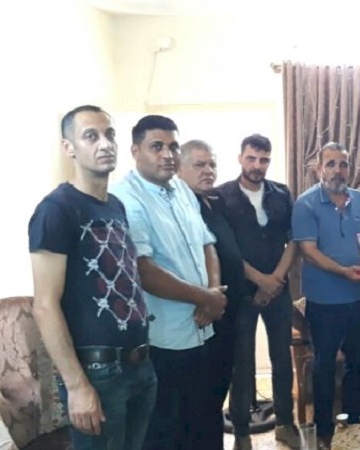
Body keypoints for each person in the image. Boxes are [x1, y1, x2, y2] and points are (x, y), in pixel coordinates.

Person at [28, 105, 157, 450]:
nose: (105, 144)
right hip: (97, 373)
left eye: (110, 134)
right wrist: (77, 385)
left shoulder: (115, 205)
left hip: (139, 364)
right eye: (91, 136)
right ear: (69, 147)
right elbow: (44, 305)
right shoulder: (56, 209)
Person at [111, 115, 228, 450]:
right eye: (157, 146)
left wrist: (213, 293)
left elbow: (207, 243)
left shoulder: (181, 189)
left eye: (173, 146)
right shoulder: (125, 197)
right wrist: (204, 298)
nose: (168, 154)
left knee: (203, 421)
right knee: (165, 430)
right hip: (163, 339)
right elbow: (143, 269)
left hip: (202, 328)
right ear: (135, 151)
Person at [215, 134, 300, 450]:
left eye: (263, 160)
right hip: (241, 293)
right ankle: (241, 434)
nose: (257, 165)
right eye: (251, 158)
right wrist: (260, 281)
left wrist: (275, 279)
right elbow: (226, 248)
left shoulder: (282, 193)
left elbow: (294, 240)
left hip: (279, 290)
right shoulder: (221, 196)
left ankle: (285, 424)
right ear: (240, 158)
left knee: (282, 359)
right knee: (241, 363)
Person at [291, 142, 360, 450]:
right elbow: (308, 251)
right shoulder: (306, 204)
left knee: (358, 362)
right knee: (324, 366)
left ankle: (355, 419)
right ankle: (324, 429)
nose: (338, 170)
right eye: (331, 164)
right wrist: (343, 271)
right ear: (319, 169)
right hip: (324, 303)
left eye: (343, 164)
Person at [177, 140, 246, 450]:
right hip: (203, 315)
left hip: (226, 313)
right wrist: (207, 298)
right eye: (199, 165)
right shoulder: (180, 206)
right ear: (179, 169)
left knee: (217, 393)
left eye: (212, 164)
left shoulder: (213, 202)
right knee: (200, 401)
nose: (208, 170)